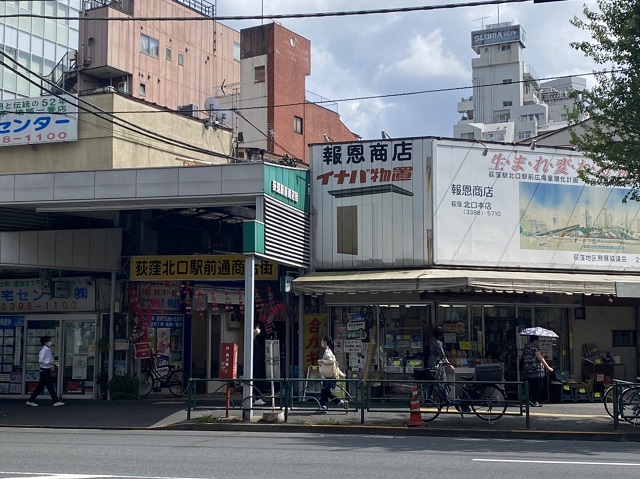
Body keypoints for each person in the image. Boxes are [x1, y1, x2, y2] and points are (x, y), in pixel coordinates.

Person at [26, 336, 64, 407]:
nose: (50, 342)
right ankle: (56, 401)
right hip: (44, 370)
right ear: (45, 342)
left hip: (46, 370)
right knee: (50, 386)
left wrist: (53, 362)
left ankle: (30, 400)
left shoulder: (48, 350)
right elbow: (41, 361)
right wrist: (52, 363)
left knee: (40, 387)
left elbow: (48, 359)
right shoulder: (43, 350)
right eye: (49, 341)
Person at [317, 336, 348, 411]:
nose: (321, 343)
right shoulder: (329, 351)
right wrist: (341, 374)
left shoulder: (327, 352)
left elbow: (331, 362)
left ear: (325, 342)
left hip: (329, 376)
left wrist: (322, 361)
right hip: (331, 376)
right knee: (325, 391)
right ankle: (323, 405)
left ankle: (340, 403)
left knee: (325, 391)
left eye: (322, 341)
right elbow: (335, 365)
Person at [522, 335, 554, 407]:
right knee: (536, 386)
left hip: (527, 370)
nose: (538, 342)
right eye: (538, 340)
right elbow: (540, 359)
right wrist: (548, 367)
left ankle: (529, 400)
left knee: (530, 386)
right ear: (535, 340)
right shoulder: (534, 349)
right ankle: (534, 401)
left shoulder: (526, 348)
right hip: (536, 371)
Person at [253, 322, 267, 406]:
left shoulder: (259, 339)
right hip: (255, 361)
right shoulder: (253, 337)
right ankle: (256, 398)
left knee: (256, 380)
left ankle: (255, 398)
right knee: (256, 380)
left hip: (258, 360)